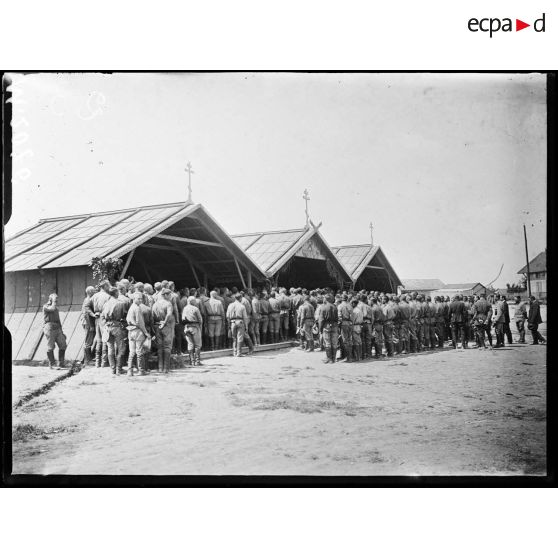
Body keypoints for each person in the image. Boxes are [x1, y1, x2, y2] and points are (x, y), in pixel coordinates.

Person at [101, 286, 129, 375]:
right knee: (121, 347)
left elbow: (102, 317)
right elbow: (125, 316)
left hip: (108, 327)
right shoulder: (120, 304)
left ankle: (112, 369)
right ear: (116, 293)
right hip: (117, 327)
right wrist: (124, 325)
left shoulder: (106, 304)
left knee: (110, 348)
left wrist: (105, 325)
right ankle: (119, 369)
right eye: (117, 292)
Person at [126, 291, 152, 376]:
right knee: (139, 352)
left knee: (131, 352)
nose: (140, 300)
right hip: (138, 331)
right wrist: (146, 332)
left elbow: (127, 319)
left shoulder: (131, 307)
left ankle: (130, 371)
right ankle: (141, 370)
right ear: (134, 299)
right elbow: (140, 322)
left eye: (141, 298)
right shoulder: (137, 308)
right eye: (138, 298)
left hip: (130, 331)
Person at [151, 288, 175, 373]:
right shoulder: (168, 304)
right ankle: (166, 368)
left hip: (157, 326)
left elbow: (152, 317)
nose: (170, 296)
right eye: (169, 294)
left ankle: (160, 368)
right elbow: (169, 314)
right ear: (165, 295)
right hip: (166, 326)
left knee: (160, 348)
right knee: (167, 347)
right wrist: (164, 322)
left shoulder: (155, 304)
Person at [43, 293, 67, 369]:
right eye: (55, 299)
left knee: (63, 344)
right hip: (49, 327)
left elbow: (58, 320)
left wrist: (62, 332)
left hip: (57, 328)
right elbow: (52, 309)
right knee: (51, 346)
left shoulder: (56, 308)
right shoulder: (45, 306)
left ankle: (61, 363)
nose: (56, 301)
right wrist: (53, 300)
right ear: (51, 299)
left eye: (57, 299)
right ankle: (52, 364)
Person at [91, 280, 111, 367]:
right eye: (108, 285)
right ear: (105, 286)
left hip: (97, 318)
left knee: (98, 340)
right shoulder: (108, 296)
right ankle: (104, 362)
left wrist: (94, 313)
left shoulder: (95, 296)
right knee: (105, 339)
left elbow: (89, 305)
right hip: (104, 318)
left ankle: (97, 362)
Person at [316, 294, 339, 364]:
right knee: (334, 343)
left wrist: (320, 329)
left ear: (326, 299)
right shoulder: (335, 307)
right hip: (335, 325)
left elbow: (321, 320)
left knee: (327, 343)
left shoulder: (324, 307)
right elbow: (337, 318)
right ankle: (334, 358)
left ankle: (329, 359)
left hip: (326, 326)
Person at [182, 296, 204, 365]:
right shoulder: (195, 308)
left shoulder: (184, 308)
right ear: (192, 301)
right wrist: (200, 328)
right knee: (197, 345)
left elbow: (183, 319)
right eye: (194, 301)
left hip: (187, 327)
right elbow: (200, 319)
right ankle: (197, 361)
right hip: (195, 327)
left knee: (190, 344)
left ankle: (192, 361)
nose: (195, 302)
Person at [81, 286, 97, 366]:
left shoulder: (87, 299)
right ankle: (87, 360)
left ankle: (88, 360)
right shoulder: (88, 300)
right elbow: (86, 314)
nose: (95, 292)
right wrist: (91, 325)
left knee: (89, 340)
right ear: (90, 292)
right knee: (88, 341)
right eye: (93, 291)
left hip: (88, 322)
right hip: (88, 323)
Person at [338, 294, 354, 362]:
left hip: (344, 323)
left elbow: (339, 316)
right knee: (349, 340)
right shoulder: (350, 305)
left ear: (342, 299)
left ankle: (347, 357)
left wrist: (339, 325)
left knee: (345, 341)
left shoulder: (340, 306)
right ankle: (350, 356)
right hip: (350, 323)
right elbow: (352, 315)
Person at [351, 297, 363, 361]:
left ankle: (357, 357)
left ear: (353, 303)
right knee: (359, 341)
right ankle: (359, 356)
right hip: (359, 326)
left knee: (356, 342)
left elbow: (352, 320)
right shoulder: (359, 310)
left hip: (355, 326)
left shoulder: (354, 311)